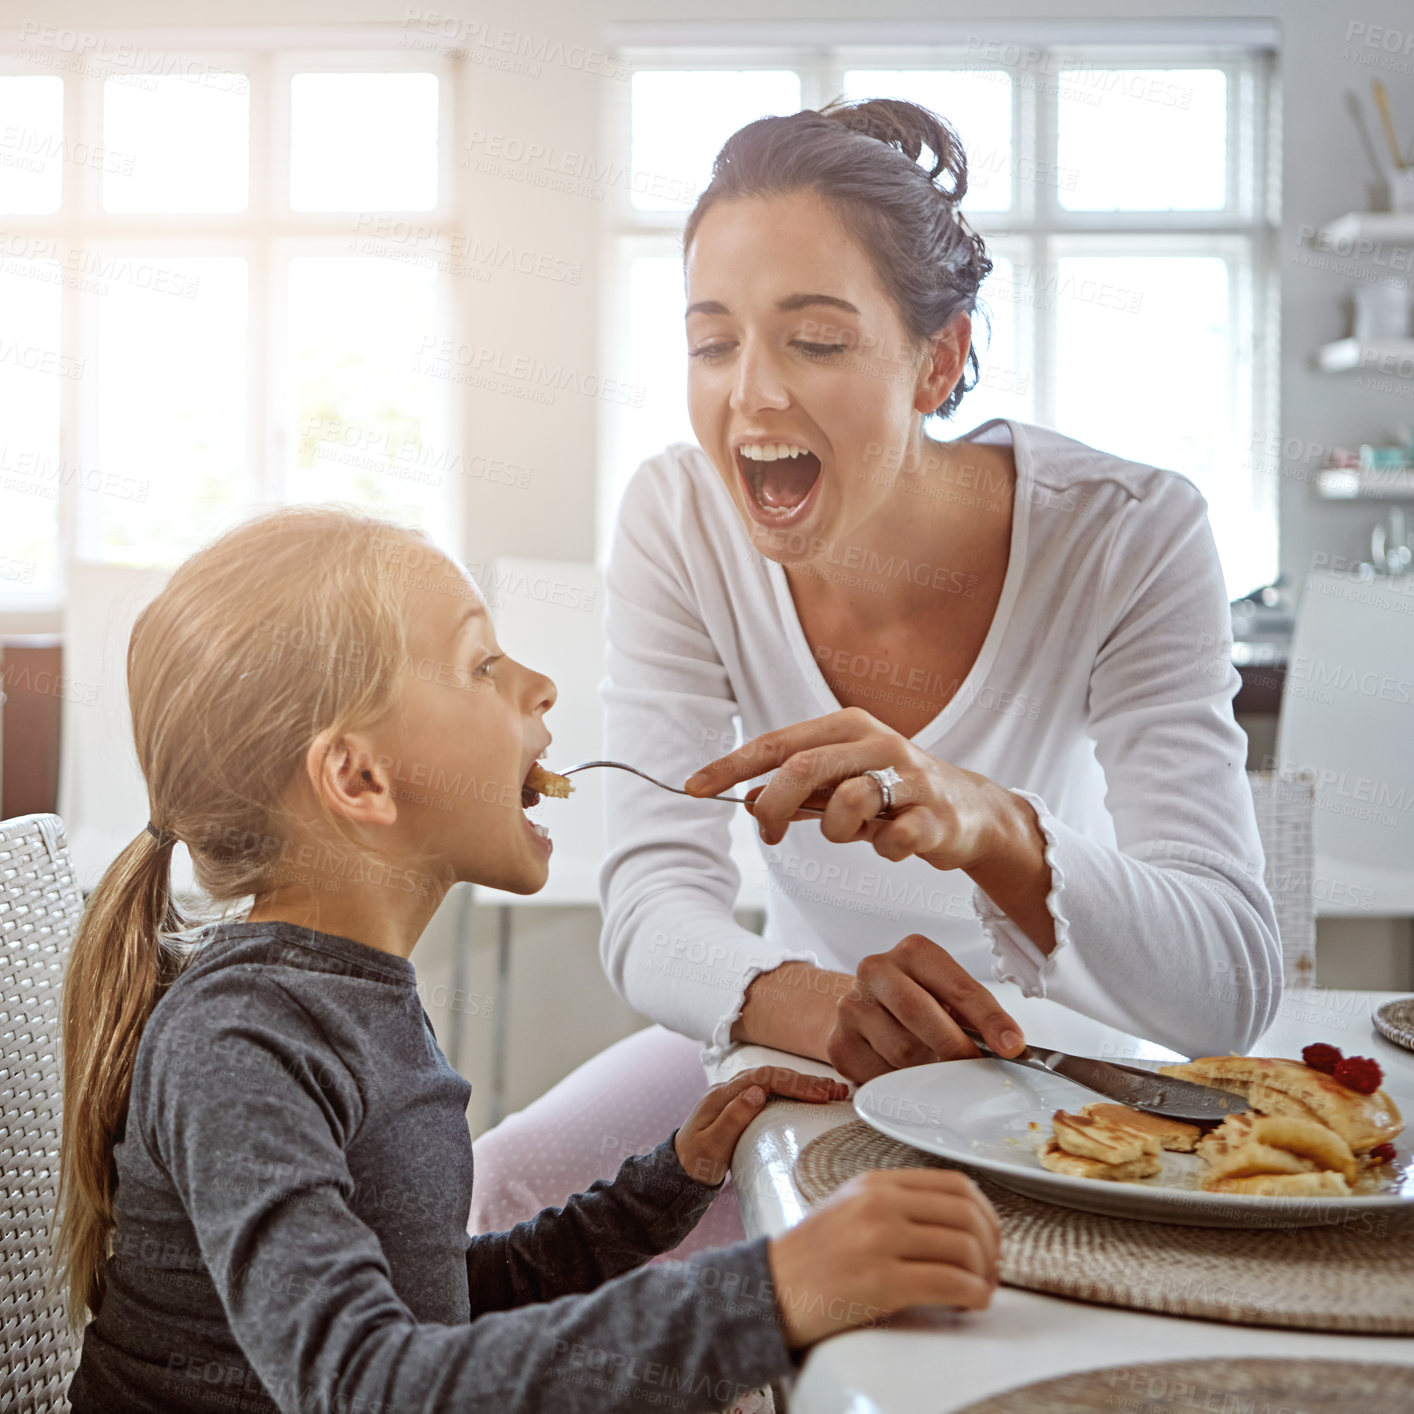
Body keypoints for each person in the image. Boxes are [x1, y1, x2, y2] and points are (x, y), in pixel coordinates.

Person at [469, 98, 1280, 1253]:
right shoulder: (679, 516)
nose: (750, 393)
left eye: (814, 340)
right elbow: (653, 903)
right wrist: (825, 1008)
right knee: (503, 1194)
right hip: (794, 1015)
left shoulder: (1128, 532)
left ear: (936, 359)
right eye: (712, 342)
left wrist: (991, 824)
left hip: (1043, 1055)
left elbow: (1222, 992)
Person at [55, 506, 1003, 1414]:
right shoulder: (239, 1040)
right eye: (482, 664)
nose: (540, 685)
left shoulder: (343, 997)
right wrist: (769, 1295)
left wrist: (667, 1183)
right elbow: (364, 1386)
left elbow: (438, 1304)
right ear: (360, 778)